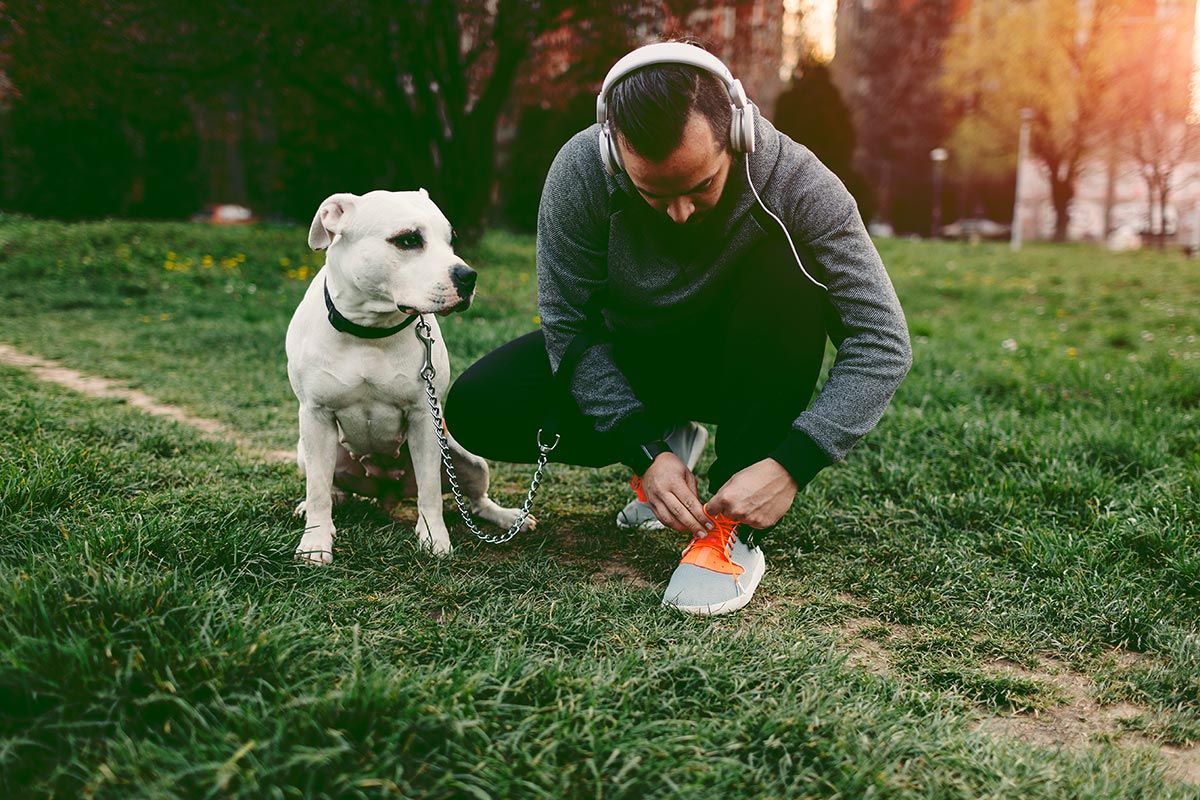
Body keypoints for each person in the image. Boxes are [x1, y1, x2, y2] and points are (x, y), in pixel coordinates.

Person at [444, 41, 911, 616]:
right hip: (639, 357)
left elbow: (882, 340)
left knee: (784, 270)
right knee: (477, 406)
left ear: (736, 137)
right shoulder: (582, 172)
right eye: (655, 194)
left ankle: (731, 527)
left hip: (748, 360)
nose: (680, 213)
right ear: (615, 153)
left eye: (700, 186)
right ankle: (669, 441)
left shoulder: (798, 183)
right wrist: (644, 450)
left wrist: (793, 462)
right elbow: (570, 324)